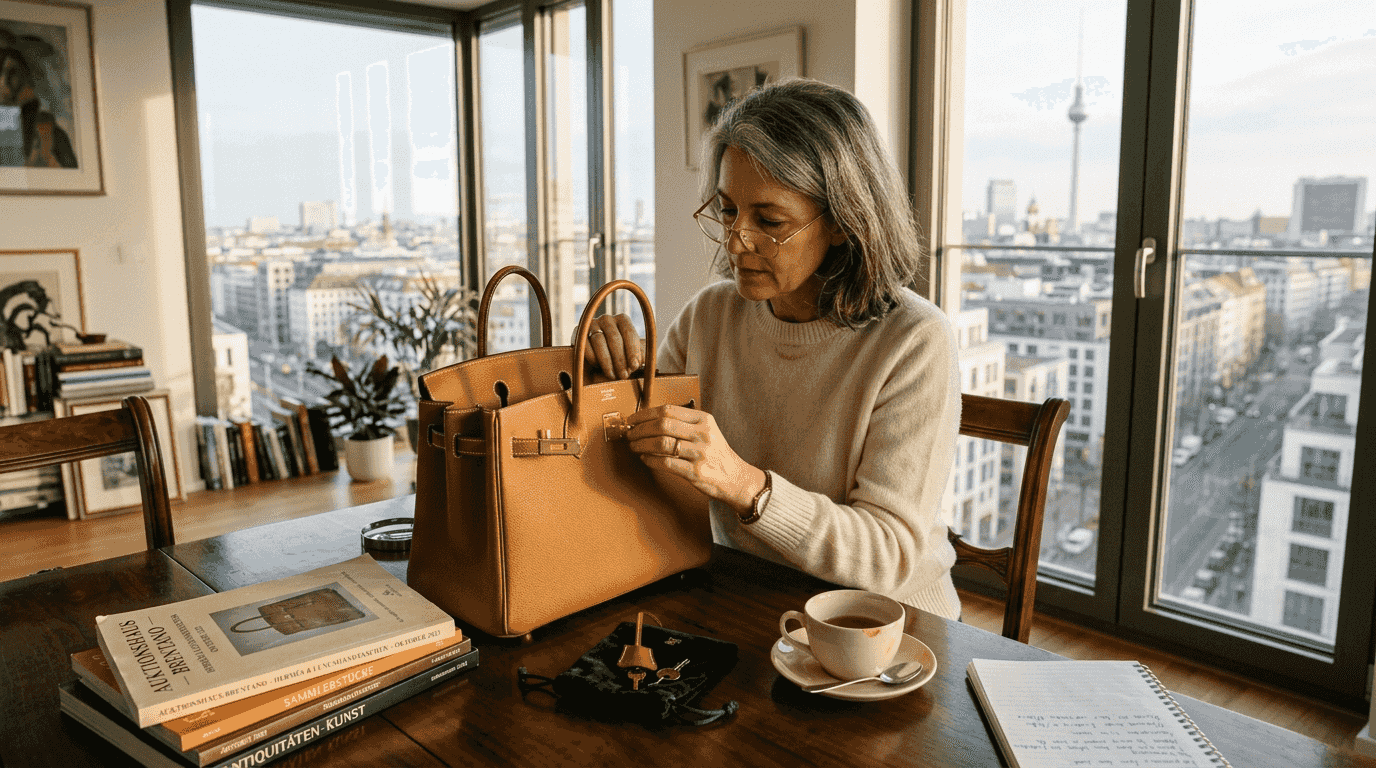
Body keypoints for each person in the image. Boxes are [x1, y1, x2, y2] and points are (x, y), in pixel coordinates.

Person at [584, 78, 963, 620]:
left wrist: (742, 484)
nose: (738, 241)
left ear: (840, 221)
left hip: (885, 628)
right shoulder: (710, 315)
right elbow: (652, 476)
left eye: (769, 220)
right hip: (750, 596)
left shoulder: (915, 341)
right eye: (726, 210)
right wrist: (611, 386)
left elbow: (888, 557)